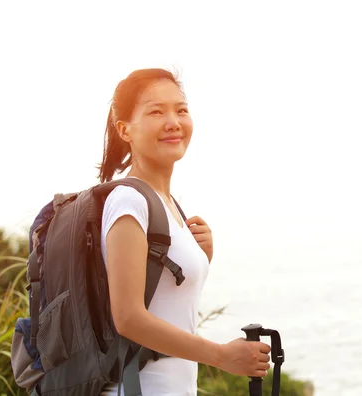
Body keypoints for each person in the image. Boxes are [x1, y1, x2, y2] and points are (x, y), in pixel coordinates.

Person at [97, 68, 271, 395]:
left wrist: (200, 258)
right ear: (125, 130)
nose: (173, 121)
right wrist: (222, 356)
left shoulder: (168, 206)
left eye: (181, 109)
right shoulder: (128, 202)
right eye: (156, 111)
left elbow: (170, 309)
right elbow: (128, 318)